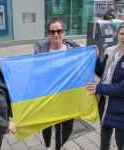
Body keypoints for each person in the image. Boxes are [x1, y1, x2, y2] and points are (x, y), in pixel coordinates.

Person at [34, 16, 80, 150]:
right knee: (47, 125)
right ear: (48, 33)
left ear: (64, 32)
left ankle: (58, 147)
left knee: (65, 129)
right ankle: (48, 147)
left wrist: (93, 56)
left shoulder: (73, 51)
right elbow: (35, 72)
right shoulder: (41, 52)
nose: (56, 35)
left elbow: (80, 70)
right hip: (47, 96)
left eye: (59, 31)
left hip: (66, 98)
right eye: (52, 32)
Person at [86, 22, 124, 150]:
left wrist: (98, 88)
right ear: (117, 35)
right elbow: (101, 72)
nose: (123, 37)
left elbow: (121, 87)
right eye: (122, 33)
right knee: (105, 138)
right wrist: (96, 58)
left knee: (121, 142)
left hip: (121, 106)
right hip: (106, 103)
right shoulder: (111, 51)